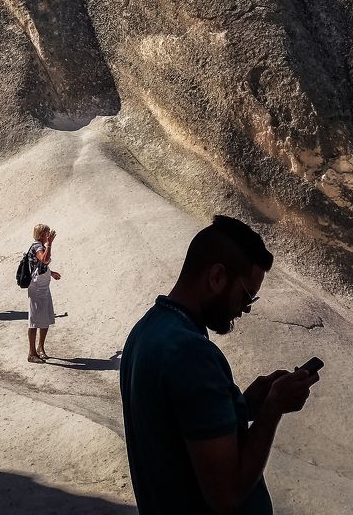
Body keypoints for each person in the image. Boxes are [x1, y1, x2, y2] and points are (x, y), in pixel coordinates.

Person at [120, 215, 320, 515]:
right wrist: (272, 409)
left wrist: (242, 406)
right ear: (217, 277)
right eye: (246, 296)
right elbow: (226, 494)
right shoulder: (190, 353)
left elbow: (181, 430)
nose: (245, 309)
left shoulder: (146, 330)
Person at [26, 224, 61, 363]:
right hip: (36, 288)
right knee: (34, 321)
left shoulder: (41, 246)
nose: (49, 235)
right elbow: (44, 259)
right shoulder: (37, 247)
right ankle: (31, 353)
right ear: (41, 234)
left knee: (45, 317)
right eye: (47, 233)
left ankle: (40, 348)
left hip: (44, 287)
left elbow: (41, 265)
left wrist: (50, 273)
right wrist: (50, 245)